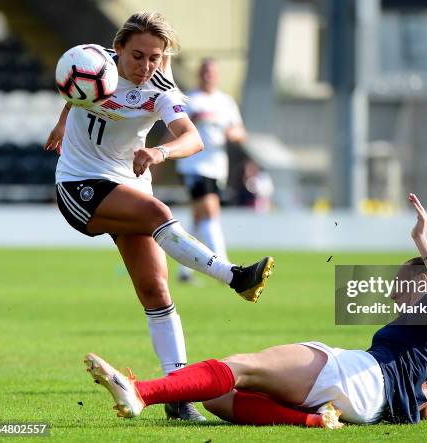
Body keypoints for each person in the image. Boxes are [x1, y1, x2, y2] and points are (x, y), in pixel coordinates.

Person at [44, 11, 274, 421]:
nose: (145, 65)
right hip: (80, 185)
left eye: (155, 57)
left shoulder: (160, 89)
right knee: (157, 211)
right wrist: (63, 124)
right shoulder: (91, 62)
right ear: (117, 50)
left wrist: (159, 151)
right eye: (137, 56)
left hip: (126, 188)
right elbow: (74, 89)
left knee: (157, 292)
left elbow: (193, 137)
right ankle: (235, 276)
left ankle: (178, 399)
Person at [84, 194, 427, 427]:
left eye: (401, 282)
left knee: (241, 366)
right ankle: (313, 420)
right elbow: (423, 404)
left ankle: (140, 392)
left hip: (359, 378)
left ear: (424, 277)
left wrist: (420, 241)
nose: (395, 293)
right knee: (216, 397)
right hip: (365, 399)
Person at [175, 58, 247, 283]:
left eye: (212, 72)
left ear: (217, 76)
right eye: (205, 72)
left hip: (217, 167)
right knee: (210, 210)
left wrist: (229, 134)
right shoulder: (190, 100)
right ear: (199, 74)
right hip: (193, 165)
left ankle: (184, 271)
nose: (208, 76)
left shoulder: (226, 102)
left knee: (198, 220)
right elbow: (174, 129)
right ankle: (224, 268)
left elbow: (240, 132)